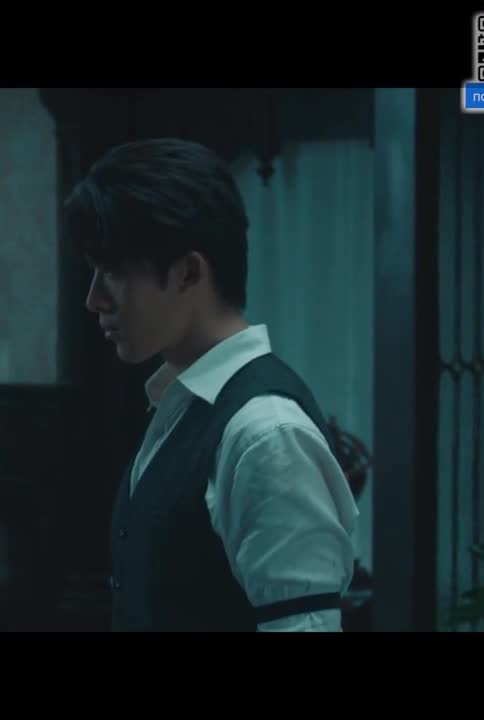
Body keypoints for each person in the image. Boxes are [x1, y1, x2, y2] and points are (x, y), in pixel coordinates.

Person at [64, 138, 359, 632]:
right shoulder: (180, 405)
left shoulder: (264, 432)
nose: (94, 299)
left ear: (188, 272)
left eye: (113, 272)